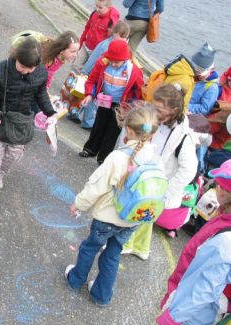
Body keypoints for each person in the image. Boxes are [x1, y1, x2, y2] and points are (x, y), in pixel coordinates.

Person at [65, 104, 161, 306]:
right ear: (153, 133)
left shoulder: (118, 157)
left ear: (127, 129)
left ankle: (76, 279)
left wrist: (79, 205)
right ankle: (101, 295)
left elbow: (96, 187)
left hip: (107, 219)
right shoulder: (156, 159)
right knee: (112, 255)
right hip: (132, 220)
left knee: (90, 247)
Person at [152, 162, 231, 325]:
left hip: (189, 313)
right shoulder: (223, 214)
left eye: (219, 185)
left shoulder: (225, 242)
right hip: (185, 300)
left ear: (226, 192)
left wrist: (175, 317)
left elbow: (205, 288)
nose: (215, 187)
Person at [0, 38, 58, 206]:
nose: (27, 71)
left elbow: (41, 93)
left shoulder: (40, 72)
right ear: (16, 58)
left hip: (22, 120)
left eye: (31, 68)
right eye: (23, 67)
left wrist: (50, 112)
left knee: (14, 154)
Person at [123, 84, 198, 259]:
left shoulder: (183, 136)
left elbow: (189, 169)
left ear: (174, 110)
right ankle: (140, 248)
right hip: (146, 177)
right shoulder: (158, 121)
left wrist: (166, 190)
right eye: (153, 106)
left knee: (135, 211)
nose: (154, 112)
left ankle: (126, 244)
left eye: (159, 109)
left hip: (157, 183)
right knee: (145, 216)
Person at [78, 39, 144, 164]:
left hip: (122, 105)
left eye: (117, 62)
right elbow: (93, 79)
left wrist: (133, 106)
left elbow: (139, 90)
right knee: (98, 125)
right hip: (105, 99)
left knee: (113, 131)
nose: (113, 64)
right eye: (111, 60)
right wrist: (89, 95)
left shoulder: (134, 70)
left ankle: (103, 158)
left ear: (125, 59)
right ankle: (90, 149)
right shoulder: (103, 62)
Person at [72, 0, 119, 72]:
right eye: (96, 6)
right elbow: (87, 28)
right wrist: (80, 43)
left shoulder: (111, 21)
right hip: (86, 46)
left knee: (86, 71)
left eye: (100, 7)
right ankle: (71, 81)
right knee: (75, 65)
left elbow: (109, 41)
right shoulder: (94, 14)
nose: (97, 9)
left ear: (108, 7)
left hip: (96, 51)